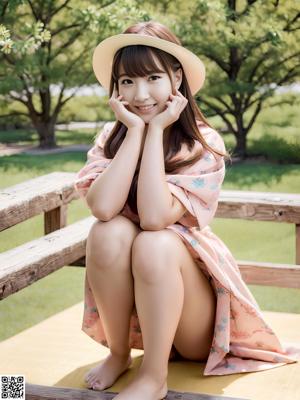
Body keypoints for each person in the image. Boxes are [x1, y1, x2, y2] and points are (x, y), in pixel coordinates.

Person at [74, 20, 299, 400]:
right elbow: (102, 207)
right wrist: (134, 132)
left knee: (155, 242)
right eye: (127, 81)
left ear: (176, 78)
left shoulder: (201, 143)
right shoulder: (111, 139)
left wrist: (158, 129)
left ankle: (154, 376)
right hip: (139, 320)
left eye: (153, 78)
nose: (140, 94)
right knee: (106, 231)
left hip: (192, 324)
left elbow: (154, 217)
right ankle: (118, 354)